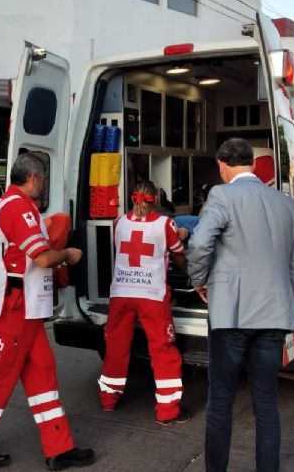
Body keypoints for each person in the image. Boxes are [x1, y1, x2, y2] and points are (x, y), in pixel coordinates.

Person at [0, 152, 95, 470]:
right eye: (44, 179)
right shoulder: (18, 208)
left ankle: (58, 448)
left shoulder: (12, 206)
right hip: (14, 309)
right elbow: (42, 259)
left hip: (24, 310)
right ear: (34, 178)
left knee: (42, 374)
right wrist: (69, 254)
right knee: (0, 376)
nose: (45, 185)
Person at [186, 138, 294, 472]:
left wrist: (198, 280)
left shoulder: (221, 195)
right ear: (252, 164)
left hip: (232, 316)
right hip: (274, 315)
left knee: (221, 401)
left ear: (223, 165)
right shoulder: (285, 203)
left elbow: (199, 244)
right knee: (266, 405)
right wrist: (287, 307)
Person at [98, 180, 190, 426]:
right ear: (157, 200)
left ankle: (108, 399)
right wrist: (191, 270)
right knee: (163, 350)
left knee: (116, 347)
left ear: (132, 198)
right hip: (152, 296)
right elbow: (179, 256)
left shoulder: (119, 223)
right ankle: (168, 411)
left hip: (121, 295)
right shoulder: (165, 224)